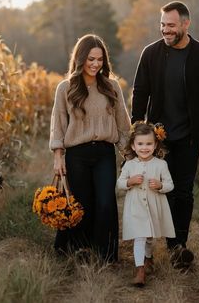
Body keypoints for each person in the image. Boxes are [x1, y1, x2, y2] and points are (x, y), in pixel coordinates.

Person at [131, 1, 199, 268]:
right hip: (157, 139)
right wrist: (138, 133)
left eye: (171, 25)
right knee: (163, 192)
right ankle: (170, 247)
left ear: (185, 24)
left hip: (189, 138)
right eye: (162, 25)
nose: (165, 30)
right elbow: (140, 93)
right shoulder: (151, 54)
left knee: (183, 192)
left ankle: (178, 245)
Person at [49, 33, 130, 262]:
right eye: (91, 59)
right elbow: (58, 125)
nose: (95, 64)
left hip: (104, 152)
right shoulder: (65, 88)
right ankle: (81, 252)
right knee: (81, 204)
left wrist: (132, 156)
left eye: (100, 60)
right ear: (80, 58)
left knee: (105, 202)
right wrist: (58, 157)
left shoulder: (111, 86)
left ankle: (106, 255)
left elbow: (123, 124)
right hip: (77, 155)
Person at [117, 121, 175, 286]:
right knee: (140, 237)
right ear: (133, 146)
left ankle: (148, 258)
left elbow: (170, 185)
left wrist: (160, 185)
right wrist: (130, 181)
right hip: (136, 208)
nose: (144, 147)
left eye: (149, 144)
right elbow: (119, 184)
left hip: (153, 206)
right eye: (140, 144)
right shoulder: (129, 165)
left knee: (150, 238)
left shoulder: (161, 164)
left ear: (155, 145)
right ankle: (140, 270)